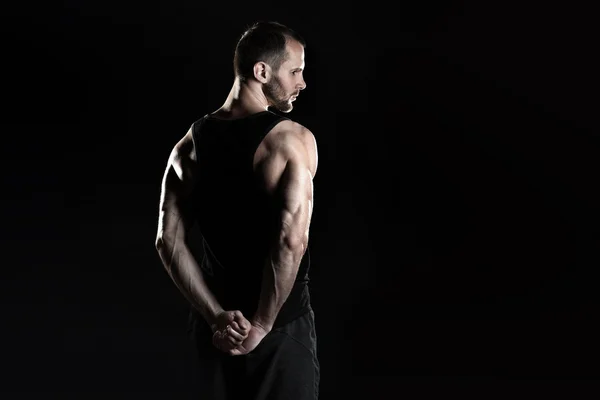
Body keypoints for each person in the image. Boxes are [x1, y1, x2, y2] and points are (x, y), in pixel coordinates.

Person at [155, 21, 319, 399]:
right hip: (279, 332)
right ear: (262, 71)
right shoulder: (290, 140)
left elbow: (168, 240)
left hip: (215, 332)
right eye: (295, 70)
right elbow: (291, 240)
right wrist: (260, 325)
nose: (302, 82)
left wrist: (216, 317)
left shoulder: (187, 147)